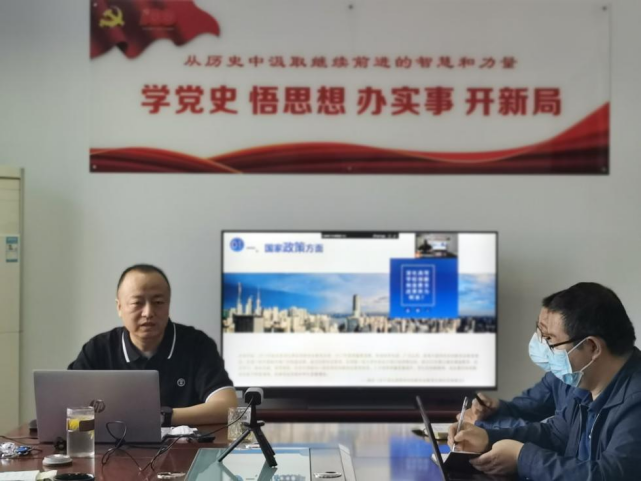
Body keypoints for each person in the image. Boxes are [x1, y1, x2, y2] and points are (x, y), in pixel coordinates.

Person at [448, 282, 641, 480]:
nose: (546, 350)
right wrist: (487, 438)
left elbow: (609, 475)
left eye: (551, 340)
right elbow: (555, 435)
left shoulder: (635, 400)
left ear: (592, 347)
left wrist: (522, 458)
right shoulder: (585, 386)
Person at [69, 264, 237, 426]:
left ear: (168, 305)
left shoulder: (197, 345)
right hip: (113, 443)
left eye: (158, 302)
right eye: (137, 303)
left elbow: (228, 407)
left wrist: (161, 417)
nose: (148, 313)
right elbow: (67, 404)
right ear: (119, 307)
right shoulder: (99, 349)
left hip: (185, 444)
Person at [463, 291, 576, 429]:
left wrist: (482, 424)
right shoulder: (558, 374)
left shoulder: (584, 381)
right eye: (539, 329)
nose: (540, 339)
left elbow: (555, 435)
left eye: (549, 336)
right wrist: (496, 407)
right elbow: (530, 406)